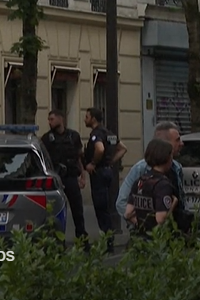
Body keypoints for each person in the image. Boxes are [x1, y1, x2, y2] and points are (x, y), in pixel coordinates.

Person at [116, 122, 189, 232]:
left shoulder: (176, 167)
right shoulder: (141, 169)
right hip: (154, 236)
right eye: (177, 140)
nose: (182, 143)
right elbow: (121, 203)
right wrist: (140, 225)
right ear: (164, 144)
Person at [83, 107, 128, 253]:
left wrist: (94, 163)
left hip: (99, 173)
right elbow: (122, 148)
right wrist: (111, 162)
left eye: (87, 117)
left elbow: (100, 149)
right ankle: (109, 239)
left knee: (101, 208)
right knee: (107, 206)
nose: (85, 119)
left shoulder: (97, 134)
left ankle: (108, 242)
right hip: (108, 172)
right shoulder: (109, 133)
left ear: (93, 119)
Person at [41, 110, 89, 242]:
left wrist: (83, 176)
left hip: (71, 177)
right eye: (49, 119)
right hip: (56, 179)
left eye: (52, 119)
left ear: (60, 119)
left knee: (77, 210)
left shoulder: (73, 136)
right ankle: (58, 241)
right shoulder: (47, 138)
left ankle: (82, 239)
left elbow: (79, 157)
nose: (49, 122)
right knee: (56, 212)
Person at [124, 139, 179, 238]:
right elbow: (161, 219)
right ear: (166, 158)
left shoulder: (140, 180)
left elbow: (128, 213)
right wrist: (173, 203)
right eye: (171, 156)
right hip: (156, 240)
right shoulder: (163, 185)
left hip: (140, 238)